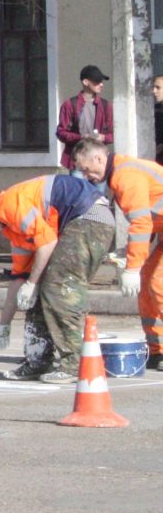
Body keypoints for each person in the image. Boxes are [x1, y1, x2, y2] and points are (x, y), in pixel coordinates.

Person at [0, 138, 114, 383]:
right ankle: (37, 361)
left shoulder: (8, 206)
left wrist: (34, 282)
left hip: (90, 218)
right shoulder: (15, 231)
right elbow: (20, 280)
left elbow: (48, 242)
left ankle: (74, 364)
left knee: (60, 286)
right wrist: (4, 324)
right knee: (39, 293)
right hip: (84, 221)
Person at [100, 147, 163, 369]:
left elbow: (142, 222)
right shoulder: (121, 174)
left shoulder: (125, 176)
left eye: (85, 168)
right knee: (147, 282)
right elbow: (152, 218)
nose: (85, 174)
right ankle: (158, 350)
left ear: (98, 159)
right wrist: (131, 253)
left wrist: (132, 268)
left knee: (157, 281)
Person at [55, 64, 112, 169]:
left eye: (102, 81)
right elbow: (61, 132)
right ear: (85, 82)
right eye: (97, 81)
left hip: (99, 162)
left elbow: (113, 134)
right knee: (79, 185)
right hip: (77, 161)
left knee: (97, 185)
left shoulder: (106, 105)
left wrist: (103, 137)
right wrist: (81, 137)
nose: (101, 84)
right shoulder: (70, 104)